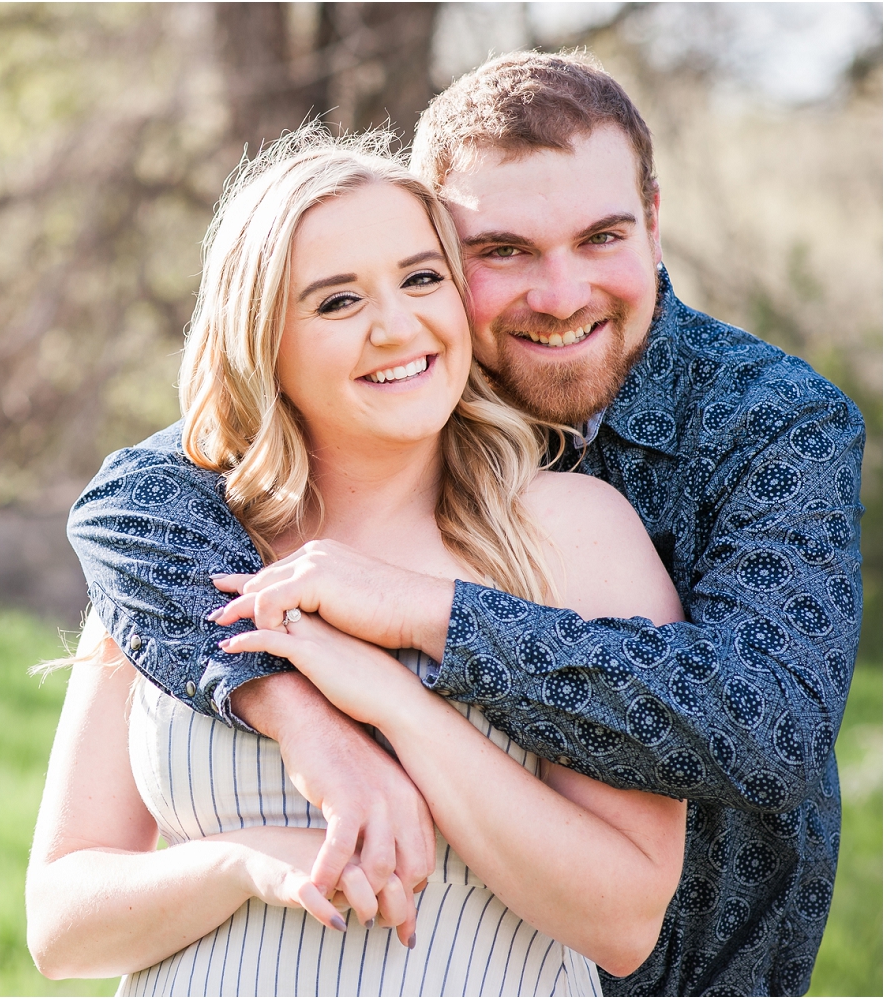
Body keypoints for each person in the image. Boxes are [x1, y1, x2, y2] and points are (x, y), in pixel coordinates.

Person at [66, 51, 865, 997]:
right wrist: (302, 716)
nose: (562, 296)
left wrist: (426, 620)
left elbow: (768, 725)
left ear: (655, 222)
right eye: (504, 251)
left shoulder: (763, 421)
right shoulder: (353, 407)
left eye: (602, 235)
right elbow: (128, 500)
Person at [28, 130, 686, 997]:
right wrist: (245, 862)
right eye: (337, 302)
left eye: (422, 279)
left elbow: (624, 919)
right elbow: (59, 925)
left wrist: (393, 706)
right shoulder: (178, 553)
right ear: (262, 340)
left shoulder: (570, 533)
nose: (397, 326)